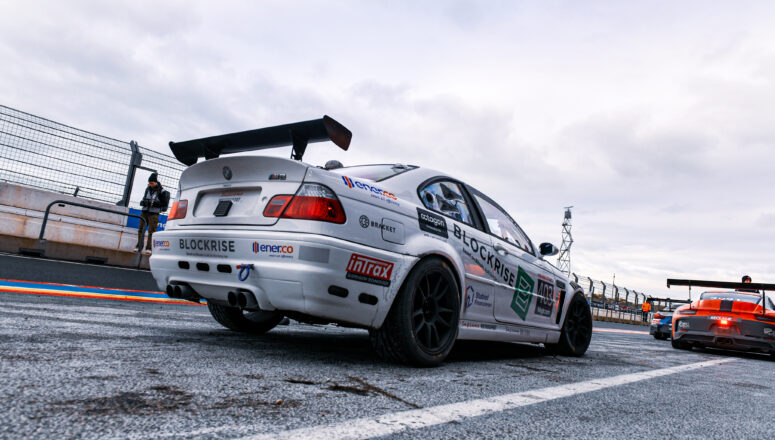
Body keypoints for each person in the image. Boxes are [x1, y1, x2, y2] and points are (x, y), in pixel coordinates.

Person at [136, 173, 166, 253]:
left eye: (152, 183)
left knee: (152, 231)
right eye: (149, 183)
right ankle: (139, 246)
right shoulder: (147, 189)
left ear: (156, 182)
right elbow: (143, 198)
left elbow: (164, 204)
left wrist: (155, 204)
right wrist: (143, 202)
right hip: (145, 211)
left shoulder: (162, 191)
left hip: (154, 213)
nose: (150, 184)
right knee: (141, 229)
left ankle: (149, 248)